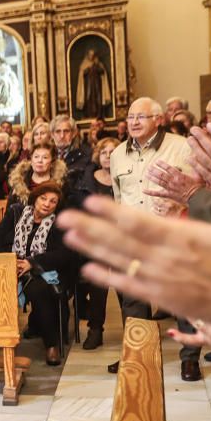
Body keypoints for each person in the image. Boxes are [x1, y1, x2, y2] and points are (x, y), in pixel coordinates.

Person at [107, 96, 195, 378]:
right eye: (130, 117)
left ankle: (189, 357)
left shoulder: (180, 148)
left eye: (140, 117)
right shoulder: (117, 154)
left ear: (158, 119)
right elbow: (119, 197)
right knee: (134, 300)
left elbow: (195, 191)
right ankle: (138, 356)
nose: (133, 122)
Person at [0, 182, 73, 365]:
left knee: (37, 290)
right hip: (11, 264)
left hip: (43, 270)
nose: (47, 204)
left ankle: (51, 344)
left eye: (53, 201)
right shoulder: (16, 213)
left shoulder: (59, 222)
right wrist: (7, 260)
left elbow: (64, 254)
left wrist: (32, 263)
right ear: (35, 198)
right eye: (43, 198)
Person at [70, 138, 121, 349]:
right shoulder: (87, 181)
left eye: (113, 151)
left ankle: (136, 330)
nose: (108, 156)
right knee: (98, 287)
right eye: (104, 152)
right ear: (97, 156)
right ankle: (95, 329)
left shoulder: (125, 178)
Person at [50, 114, 91, 184]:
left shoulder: (86, 154)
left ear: (73, 133)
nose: (62, 136)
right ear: (52, 135)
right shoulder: (47, 155)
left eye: (66, 131)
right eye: (58, 131)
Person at [75, 49, 111, 120]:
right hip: (88, 86)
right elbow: (82, 75)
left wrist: (96, 65)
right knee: (88, 99)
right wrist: (88, 69)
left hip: (97, 86)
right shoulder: (84, 64)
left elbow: (102, 72)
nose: (91, 56)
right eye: (90, 55)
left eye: (93, 55)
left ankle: (99, 115)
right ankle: (88, 114)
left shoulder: (98, 64)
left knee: (98, 100)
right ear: (88, 55)